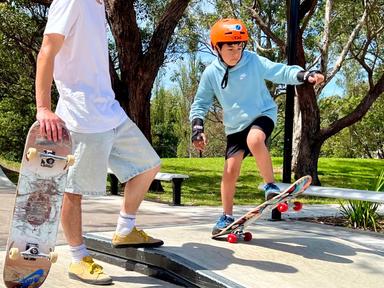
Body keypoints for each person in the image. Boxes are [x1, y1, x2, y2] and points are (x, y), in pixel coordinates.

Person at [35, 0, 163, 285]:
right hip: (81, 115)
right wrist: (43, 107)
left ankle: (125, 229)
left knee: (148, 165)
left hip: (110, 110)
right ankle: (78, 259)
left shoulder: (98, 5)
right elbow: (47, 50)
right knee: (75, 189)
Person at [189, 18, 324, 235]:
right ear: (217, 48)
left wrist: (304, 75)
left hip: (262, 114)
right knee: (230, 171)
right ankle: (226, 216)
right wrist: (197, 128)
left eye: (239, 46)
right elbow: (200, 103)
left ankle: (270, 186)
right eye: (230, 47)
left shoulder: (253, 61)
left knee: (255, 140)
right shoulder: (210, 73)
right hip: (234, 127)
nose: (236, 52)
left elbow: (279, 71)